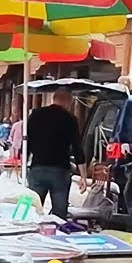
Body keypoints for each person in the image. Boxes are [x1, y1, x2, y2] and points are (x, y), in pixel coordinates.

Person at [26, 88, 89, 218]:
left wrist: (24, 163)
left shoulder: (35, 115)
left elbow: (27, 142)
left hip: (37, 168)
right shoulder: (70, 119)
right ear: (68, 102)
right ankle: (56, 234)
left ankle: (27, 232)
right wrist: (83, 176)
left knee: (31, 208)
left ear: (53, 99)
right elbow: (77, 148)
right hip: (60, 170)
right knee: (59, 213)